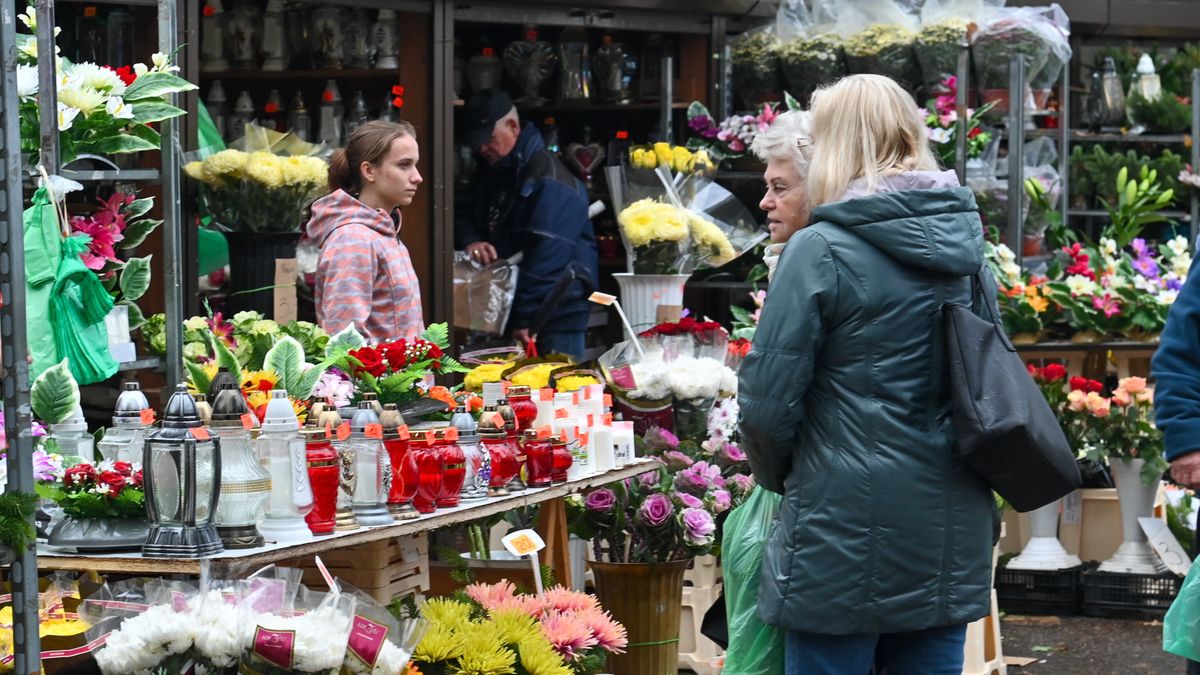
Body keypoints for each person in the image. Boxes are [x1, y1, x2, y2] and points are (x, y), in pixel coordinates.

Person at [737, 74, 997, 675]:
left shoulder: (821, 247)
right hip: (947, 520)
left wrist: (785, 479)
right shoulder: (964, 245)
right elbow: (988, 385)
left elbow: (766, 409)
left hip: (839, 527)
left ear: (839, 145)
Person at [455, 90, 598, 360]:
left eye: (488, 140)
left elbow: (547, 260)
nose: (481, 148)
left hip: (555, 312)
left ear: (513, 126)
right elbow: (462, 213)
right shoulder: (491, 172)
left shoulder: (550, 179)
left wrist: (525, 320)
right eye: (477, 142)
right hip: (511, 311)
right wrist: (471, 240)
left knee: (560, 394)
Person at [306, 121, 424, 342]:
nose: (417, 176)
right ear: (369, 171)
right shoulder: (353, 239)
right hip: (381, 377)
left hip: (403, 376)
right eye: (404, 165)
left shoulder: (383, 232)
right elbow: (345, 341)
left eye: (415, 165)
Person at [753, 110, 813, 280]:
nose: (764, 203)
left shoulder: (822, 270)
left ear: (821, 187)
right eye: (768, 186)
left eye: (779, 187)